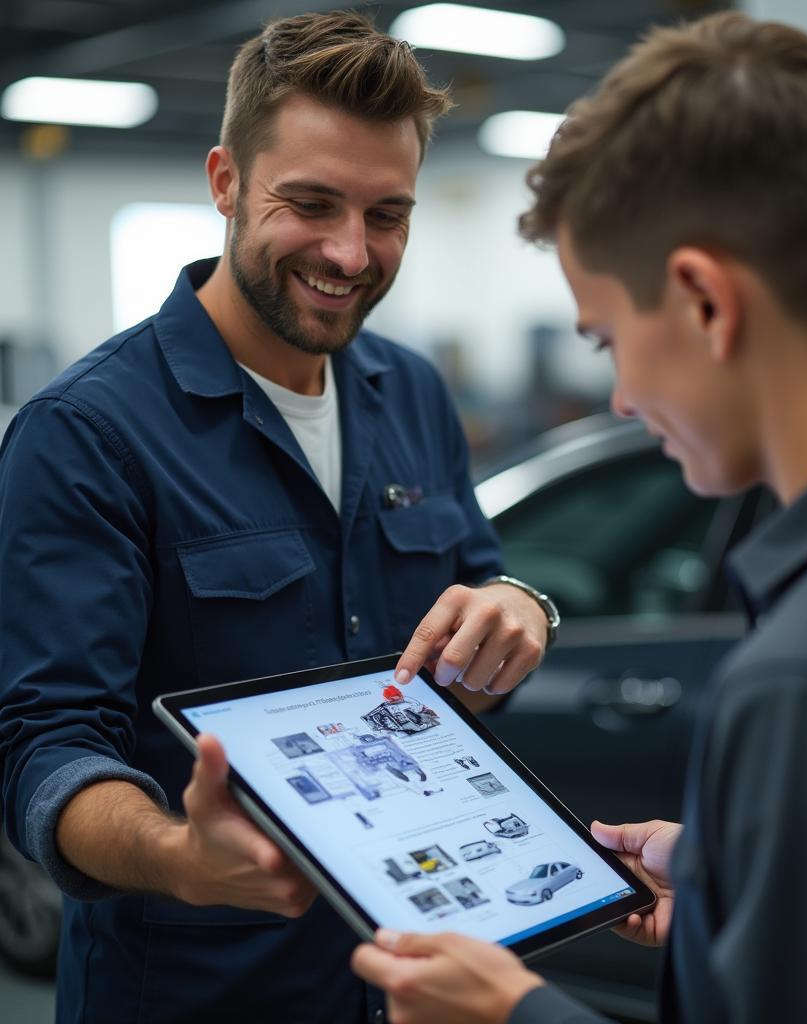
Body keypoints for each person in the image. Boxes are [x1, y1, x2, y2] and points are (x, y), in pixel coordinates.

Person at [351, 11, 807, 1024]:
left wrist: (513, 1012)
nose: (619, 397)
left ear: (706, 303)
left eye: (609, 338)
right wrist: (741, 889)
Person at [0, 12, 555, 1024]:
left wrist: (519, 606)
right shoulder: (85, 434)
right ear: (223, 181)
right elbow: (44, 747)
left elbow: (482, 577)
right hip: (198, 994)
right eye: (310, 204)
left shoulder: (413, 392)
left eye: (387, 214)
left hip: (414, 974)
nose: (350, 253)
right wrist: (178, 852)